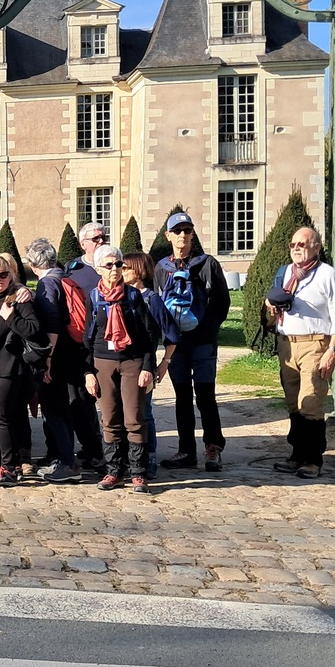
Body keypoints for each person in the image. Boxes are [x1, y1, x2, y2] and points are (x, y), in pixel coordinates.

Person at [266, 226, 335, 479]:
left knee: (310, 401)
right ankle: (297, 454)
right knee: (293, 403)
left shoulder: (326, 274)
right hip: (287, 344)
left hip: (316, 344)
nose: (296, 249)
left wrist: (332, 350)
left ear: (316, 247)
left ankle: (313, 459)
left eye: (302, 244)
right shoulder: (286, 273)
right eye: (293, 244)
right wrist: (269, 304)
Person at [155, 211, 231, 472]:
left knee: (206, 394)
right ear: (168, 236)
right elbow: (157, 304)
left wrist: (208, 328)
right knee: (182, 397)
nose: (183, 235)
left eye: (187, 230)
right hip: (176, 344)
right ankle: (186, 450)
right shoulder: (161, 268)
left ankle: (213, 447)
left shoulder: (208, 264)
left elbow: (222, 302)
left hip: (203, 343)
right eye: (177, 231)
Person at [84, 244, 164, 492]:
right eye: (109, 265)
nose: (115, 269)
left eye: (118, 264)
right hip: (103, 363)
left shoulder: (133, 296)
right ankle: (114, 472)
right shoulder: (94, 297)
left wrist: (148, 367)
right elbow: (87, 337)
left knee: (135, 418)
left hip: (132, 362)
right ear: (98, 269)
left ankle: (138, 472)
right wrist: (88, 372)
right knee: (109, 419)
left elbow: (150, 334)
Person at [21, 238, 98, 483]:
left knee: (54, 410)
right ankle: (70, 458)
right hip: (73, 352)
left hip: (57, 356)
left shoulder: (47, 283)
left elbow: (52, 325)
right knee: (66, 408)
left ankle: (67, 463)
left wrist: (48, 360)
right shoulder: (65, 278)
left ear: (33, 264)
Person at [0, 254, 41, 487]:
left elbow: (34, 330)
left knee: (0, 418)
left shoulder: (18, 300)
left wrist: (11, 317)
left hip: (8, 368)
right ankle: (9, 463)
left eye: (3, 274)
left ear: (11, 276)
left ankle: (10, 467)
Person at [121, 251, 178, 480]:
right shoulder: (120, 296)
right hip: (122, 365)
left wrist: (165, 362)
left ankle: (149, 457)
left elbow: (171, 333)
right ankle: (128, 457)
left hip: (144, 365)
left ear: (139, 270)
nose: (121, 271)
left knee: (144, 412)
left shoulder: (151, 299)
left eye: (126, 268)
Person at [65, 222, 109, 296]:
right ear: (83, 244)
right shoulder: (72, 269)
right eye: (96, 238)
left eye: (103, 237)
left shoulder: (115, 266)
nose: (101, 241)